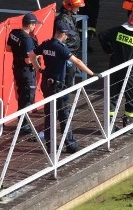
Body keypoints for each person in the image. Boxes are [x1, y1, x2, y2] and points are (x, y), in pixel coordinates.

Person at [34, 21, 95, 154]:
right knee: (64, 114)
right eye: (66, 35)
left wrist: (39, 69)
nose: (67, 37)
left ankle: (50, 145)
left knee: (49, 114)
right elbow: (77, 61)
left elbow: (32, 55)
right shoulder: (60, 48)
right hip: (58, 86)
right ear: (61, 34)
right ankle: (70, 144)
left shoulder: (46, 44)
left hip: (46, 84)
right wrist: (93, 74)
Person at [98, 7, 133, 129]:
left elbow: (101, 36)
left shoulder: (117, 30)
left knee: (113, 94)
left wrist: (109, 51)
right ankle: (129, 122)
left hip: (114, 67)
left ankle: (109, 123)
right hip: (129, 70)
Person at [7, 12, 42, 134]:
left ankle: (22, 123)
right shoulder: (27, 39)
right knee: (27, 97)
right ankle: (23, 125)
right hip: (26, 71)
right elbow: (28, 59)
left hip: (17, 68)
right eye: (34, 24)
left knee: (21, 95)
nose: (35, 27)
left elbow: (8, 48)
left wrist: (18, 54)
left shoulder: (13, 33)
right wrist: (36, 60)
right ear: (31, 25)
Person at [55, 0, 86, 86]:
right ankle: (64, 100)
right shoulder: (63, 20)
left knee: (69, 80)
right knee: (65, 83)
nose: (78, 10)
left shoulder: (70, 18)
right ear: (69, 6)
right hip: (65, 56)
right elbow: (60, 39)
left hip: (70, 55)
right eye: (77, 7)